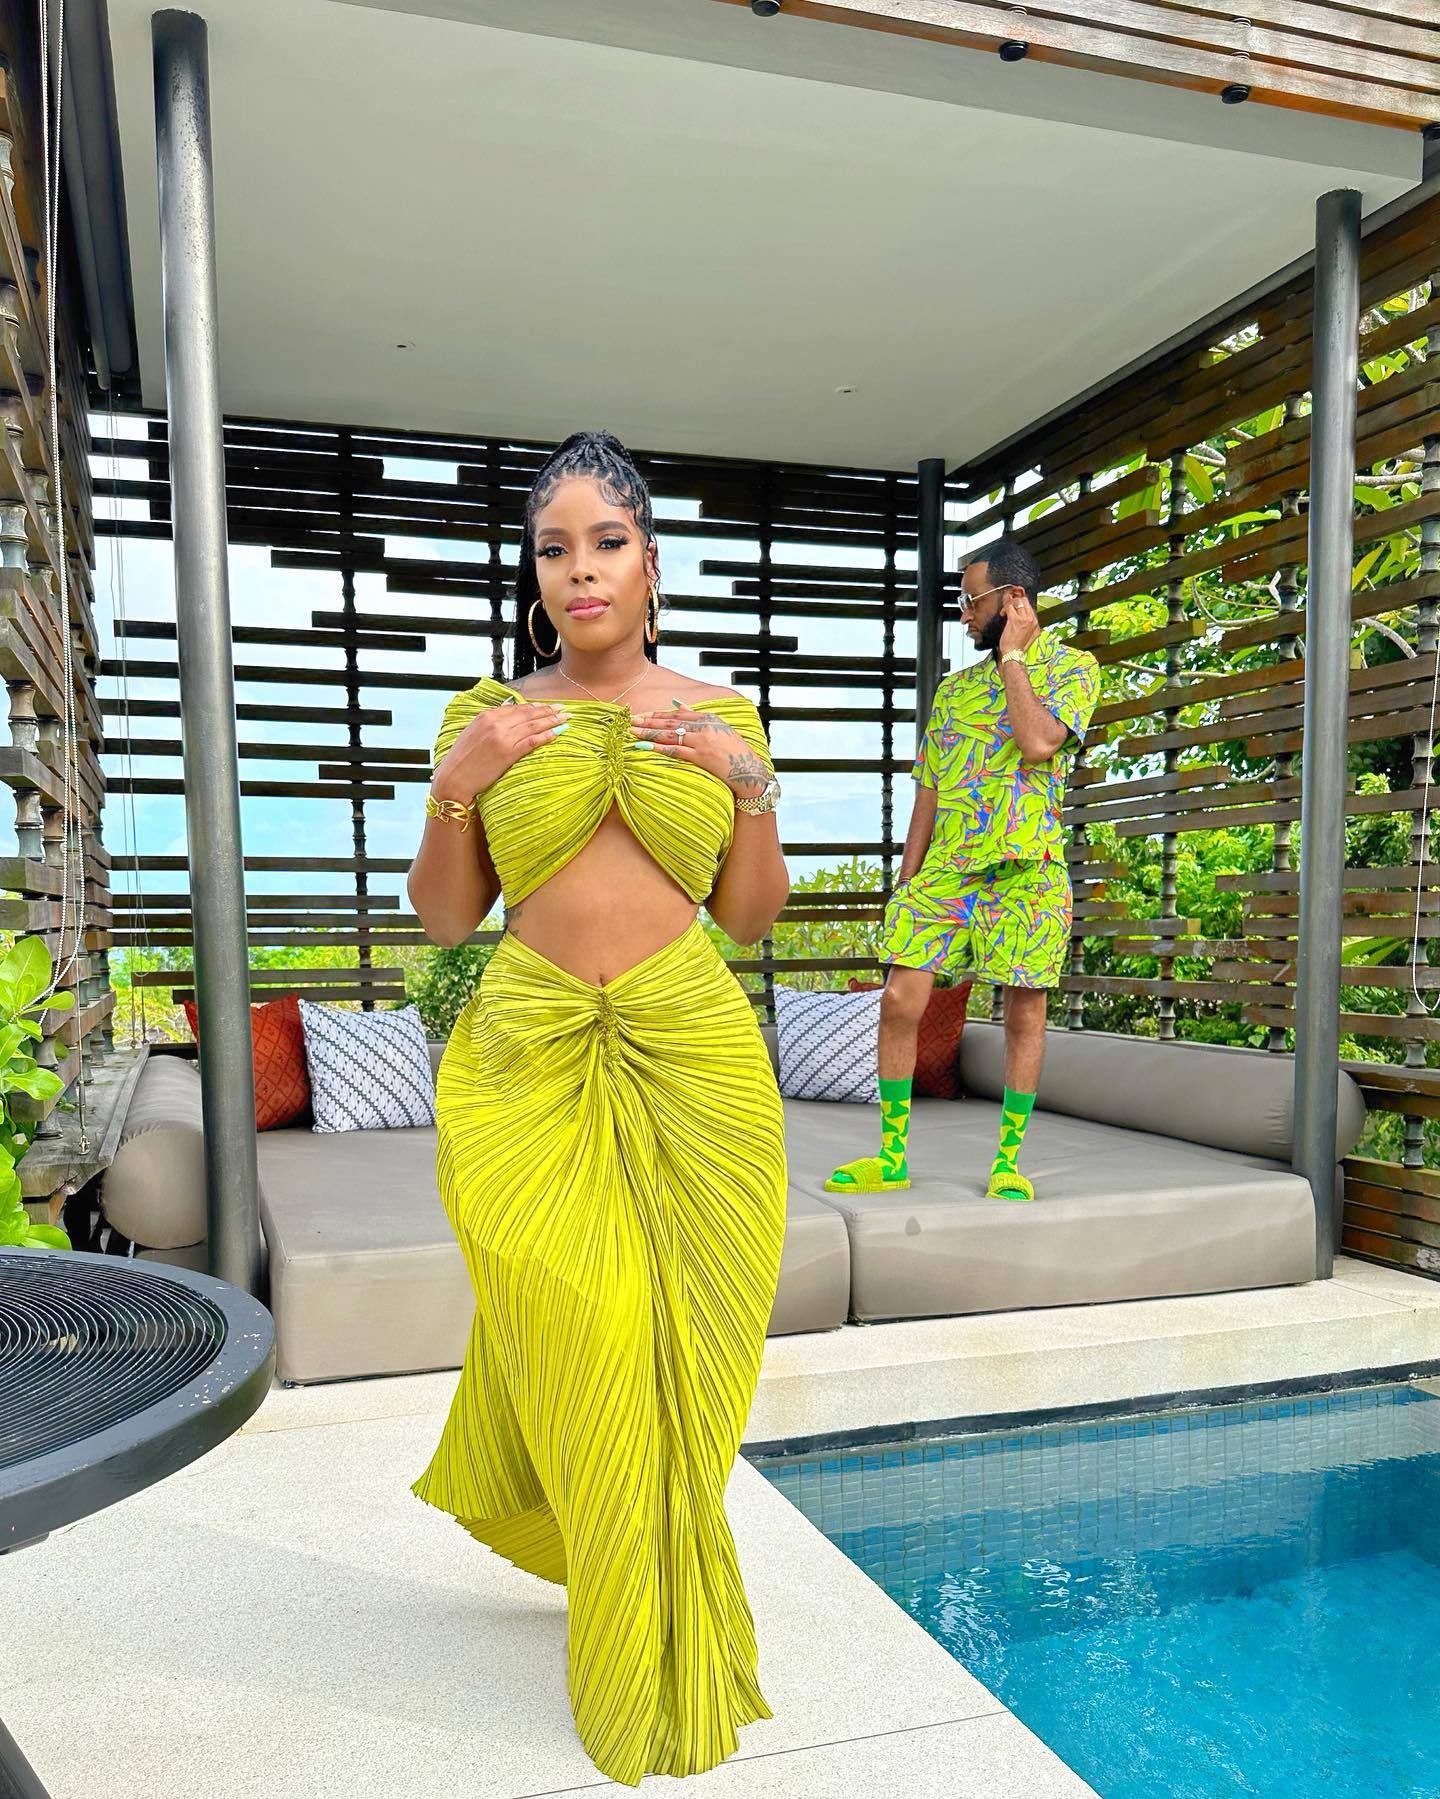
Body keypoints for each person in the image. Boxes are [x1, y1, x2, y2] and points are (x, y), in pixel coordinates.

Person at [406, 431, 790, 1788]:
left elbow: (749, 918)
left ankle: (647, 1593)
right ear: (535, 572)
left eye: (606, 542)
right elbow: (445, 919)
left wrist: (749, 787)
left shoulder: (722, 715)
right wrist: (463, 780)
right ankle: (621, 1622)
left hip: (696, 1054)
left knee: (698, 1354)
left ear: (649, 561)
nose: (581, 570)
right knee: (589, 1325)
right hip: (525, 1054)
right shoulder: (490, 716)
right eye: (554, 548)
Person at [827, 538, 1099, 1204]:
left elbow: (1037, 741)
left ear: (1013, 599)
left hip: (1027, 872)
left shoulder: (1073, 668)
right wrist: (908, 880)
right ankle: (892, 1156)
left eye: (971, 601)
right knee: (899, 999)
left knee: (1023, 1015)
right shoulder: (953, 692)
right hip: (947, 873)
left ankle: (1007, 1161)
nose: (963, 614)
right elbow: (928, 787)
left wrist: (1014, 659)